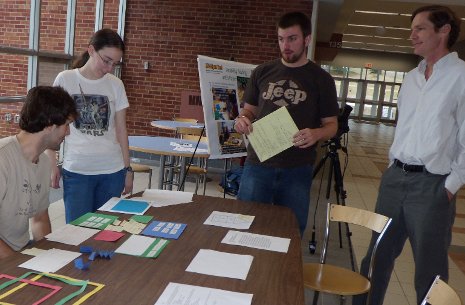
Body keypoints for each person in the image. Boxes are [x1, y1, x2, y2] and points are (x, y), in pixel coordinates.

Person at [353, 5, 464, 305]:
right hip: (394, 180)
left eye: (420, 28)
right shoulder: (410, 78)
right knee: (375, 259)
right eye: (412, 29)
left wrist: (450, 186)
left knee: (429, 273)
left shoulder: (461, 77)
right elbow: (404, 129)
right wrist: (392, 167)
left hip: (431, 187)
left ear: (444, 31)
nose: (411, 35)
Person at [234, 11, 339, 235]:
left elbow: (332, 125)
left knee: (289, 232)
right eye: (281, 39)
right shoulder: (262, 72)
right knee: (244, 225)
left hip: (297, 168)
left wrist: (316, 133)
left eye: (292, 38)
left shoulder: (322, 79)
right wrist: (243, 120)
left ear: (307, 39)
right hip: (258, 163)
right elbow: (249, 110)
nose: (286, 45)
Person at [48, 28, 133, 223]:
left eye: (115, 63)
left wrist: (127, 170)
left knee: (106, 231)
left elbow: (121, 129)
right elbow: (51, 124)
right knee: (77, 232)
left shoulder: (116, 84)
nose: (110, 68)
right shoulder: (65, 79)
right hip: (77, 170)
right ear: (91, 50)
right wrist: (52, 164)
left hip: (112, 171)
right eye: (106, 60)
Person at [0, 86, 77, 259]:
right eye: (67, 125)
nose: (69, 132)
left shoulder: (43, 163)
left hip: (19, 250)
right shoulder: (3, 159)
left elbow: (39, 219)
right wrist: (18, 266)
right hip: (9, 259)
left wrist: (46, 258)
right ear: (50, 124)